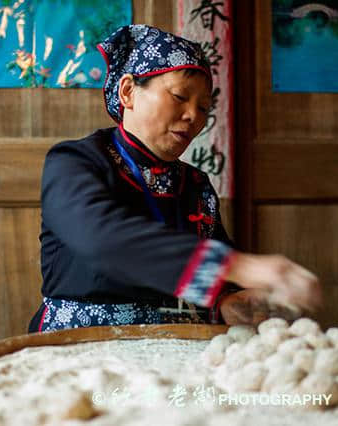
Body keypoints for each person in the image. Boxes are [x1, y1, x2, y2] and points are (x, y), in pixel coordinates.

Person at [28, 25, 321, 333]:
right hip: (83, 343)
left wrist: (227, 301)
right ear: (127, 91)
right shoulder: (75, 162)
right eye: (180, 96)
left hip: (178, 341)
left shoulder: (195, 183)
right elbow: (100, 237)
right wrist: (239, 265)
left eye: (204, 108)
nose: (193, 115)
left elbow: (217, 269)